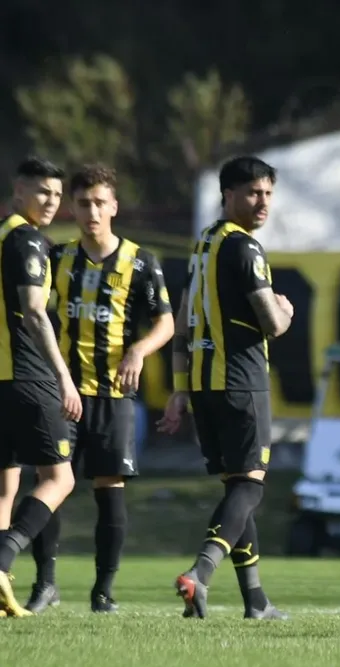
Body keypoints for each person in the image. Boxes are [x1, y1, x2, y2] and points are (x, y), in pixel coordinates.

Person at [12, 164, 175, 614]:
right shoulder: (56, 257)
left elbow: (166, 322)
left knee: (110, 489)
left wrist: (139, 351)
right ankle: (45, 584)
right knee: (52, 483)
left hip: (114, 396)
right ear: (73, 208)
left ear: (114, 207)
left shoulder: (141, 262)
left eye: (100, 202)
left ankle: (103, 592)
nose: (92, 212)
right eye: (83, 203)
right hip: (61, 393)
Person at [157, 156, 292, 620]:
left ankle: (256, 601)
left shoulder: (203, 246)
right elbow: (273, 324)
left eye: (268, 193)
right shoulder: (245, 248)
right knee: (250, 489)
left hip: (203, 387)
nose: (263, 203)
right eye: (253, 193)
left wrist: (179, 390)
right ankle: (200, 572)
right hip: (241, 382)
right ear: (228, 195)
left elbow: (180, 326)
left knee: (238, 488)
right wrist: (286, 309)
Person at [0, 157, 82, 618]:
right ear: (18, 191)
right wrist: (63, 376)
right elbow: (33, 312)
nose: (51, 201)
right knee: (59, 477)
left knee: (4, 487)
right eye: (42, 192)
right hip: (28, 377)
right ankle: (3, 559)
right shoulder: (26, 239)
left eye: (56, 193)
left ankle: (1, 585)